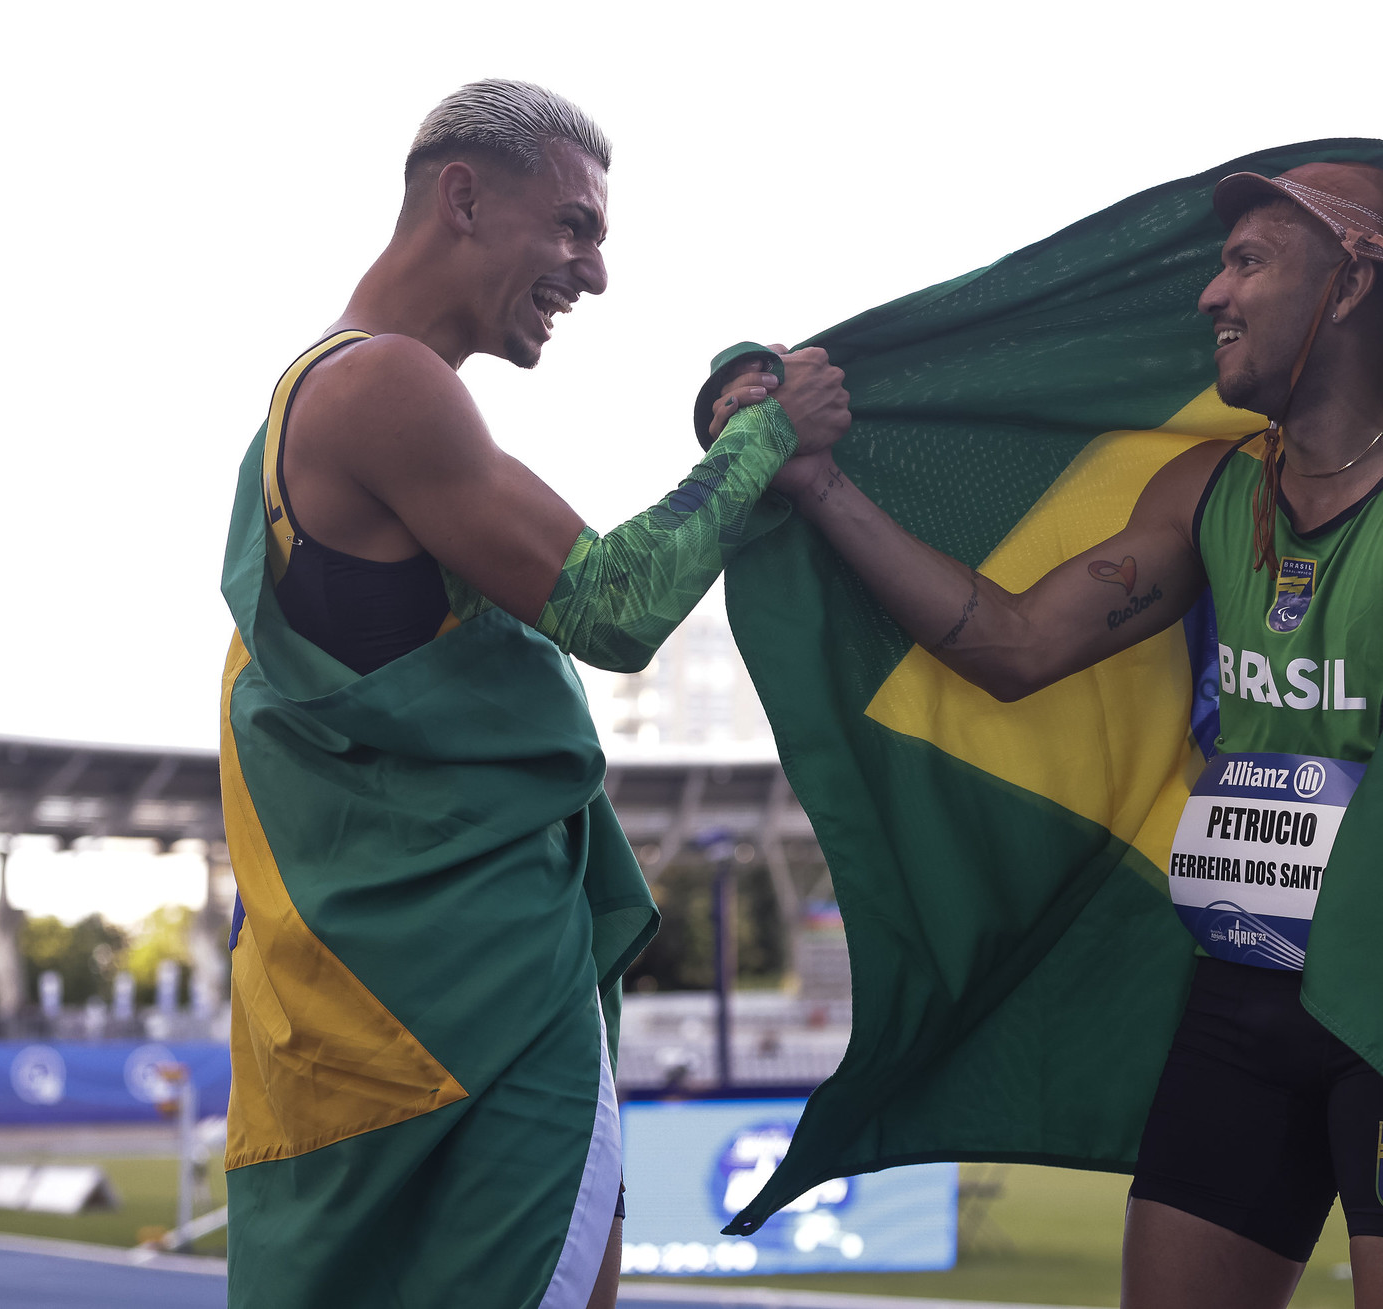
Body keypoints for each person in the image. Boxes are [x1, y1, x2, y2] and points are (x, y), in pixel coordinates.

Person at [715, 162, 1383, 1308]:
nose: (1210, 296)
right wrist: (820, 485)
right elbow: (1014, 645)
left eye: (1248, 261)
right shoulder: (1209, 490)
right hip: (1243, 998)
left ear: (1359, 276)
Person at [217, 80, 848, 1309]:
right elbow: (614, 603)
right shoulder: (382, 387)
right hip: (476, 1008)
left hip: (364, 1017)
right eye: (573, 226)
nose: (595, 272)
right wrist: (764, 439)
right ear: (462, 197)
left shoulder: (315, 405)